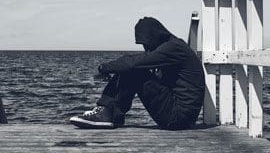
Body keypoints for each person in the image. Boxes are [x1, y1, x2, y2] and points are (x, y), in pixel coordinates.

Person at [69, 17, 204, 130]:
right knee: (131, 67)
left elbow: (133, 63)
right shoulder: (172, 48)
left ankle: (107, 114)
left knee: (134, 70)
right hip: (179, 117)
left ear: (154, 36)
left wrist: (103, 68)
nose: (146, 48)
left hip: (178, 118)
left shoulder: (174, 48)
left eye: (147, 43)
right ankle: (108, 113)